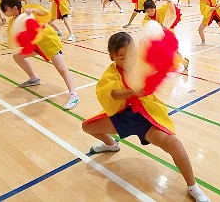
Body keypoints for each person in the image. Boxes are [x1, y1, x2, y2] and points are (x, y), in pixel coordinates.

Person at [82, 32, 209, 202]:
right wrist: (132, 91)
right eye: (121, 57)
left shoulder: (142, 63)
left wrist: (176, 61)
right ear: (112, 56)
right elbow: (112, 93)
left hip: (144, 116)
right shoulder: (111, 74)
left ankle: (193, 186)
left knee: (173, 144)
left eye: (131, 55)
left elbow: (163, 60)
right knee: (87, 127)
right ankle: (111, 145)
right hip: (121, 116)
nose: (127, 60)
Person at [0, 0, 80, 110]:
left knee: (62, 68)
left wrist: (33, 10)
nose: (4, 12)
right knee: (17, 57)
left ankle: (73, 94)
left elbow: (47, 14)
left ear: (13, 8)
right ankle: (33, 79)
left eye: (5, 9)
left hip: (48, 42)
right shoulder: (14, 21)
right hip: (34, 46)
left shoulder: (29, 10)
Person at [143, 0, 189, 69]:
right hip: (158, 37)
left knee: (173, 50)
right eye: (148, 11)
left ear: (155, 8)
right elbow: (147, 29)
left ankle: (183, 61)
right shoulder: (146, 19)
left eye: (152, 10)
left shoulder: (161, 11)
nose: (150, 13)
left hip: (168, 34)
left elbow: (170, 6)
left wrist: (169, 2)